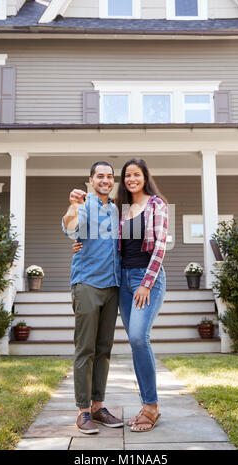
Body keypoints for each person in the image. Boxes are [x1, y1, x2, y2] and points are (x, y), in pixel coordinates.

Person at [73, 158, 168, 433]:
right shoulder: (121, 209)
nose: (131, 179)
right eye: (127, 175)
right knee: (129, 342)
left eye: (136, 174)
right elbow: (110, 241)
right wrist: (80, 244)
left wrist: (146, 284)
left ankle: (151, 407)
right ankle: (130, 406)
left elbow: (159, 249)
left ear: (145, 177)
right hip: (122, 280)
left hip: (145, 280)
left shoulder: (156, 205)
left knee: (139, 337)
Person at [61, 161, 123, 434]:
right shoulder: (83, 205)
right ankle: (83, 411)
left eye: (110, 177)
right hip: (87, 284)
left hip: (113, 286)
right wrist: (73, 205)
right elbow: (72, 229)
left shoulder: (116, 209)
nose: (105, 180)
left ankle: (98, 406)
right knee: (85, 349)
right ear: (91, 179)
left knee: (104, 350)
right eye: (100, 176)